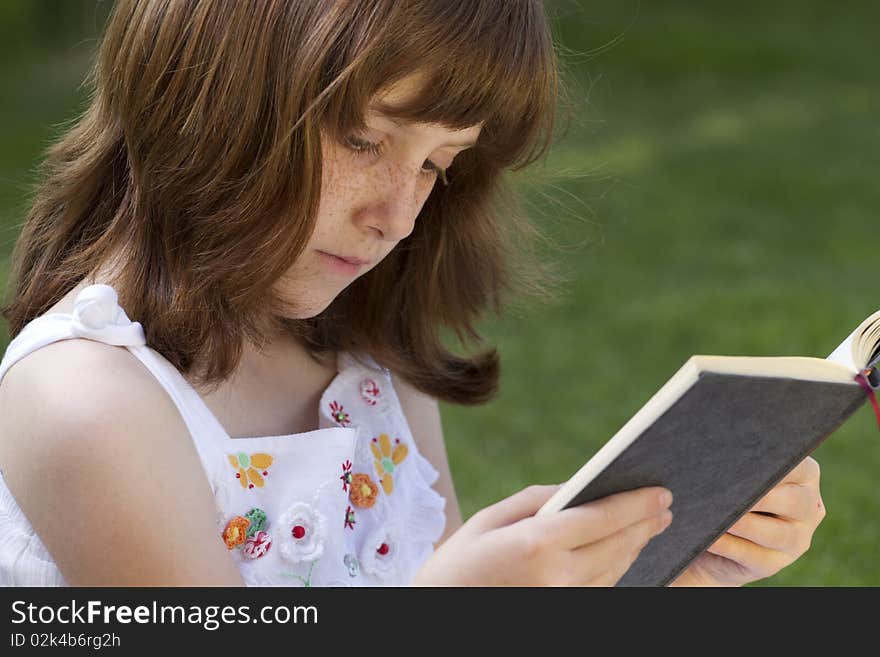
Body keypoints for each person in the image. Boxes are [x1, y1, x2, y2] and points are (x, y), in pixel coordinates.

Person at [0, 0, 824, 587]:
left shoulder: (364, 367)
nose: (397, 215)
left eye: (437, 164)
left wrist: (660, 565)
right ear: (209, 98)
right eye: (364, 139)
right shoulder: (89, 401)